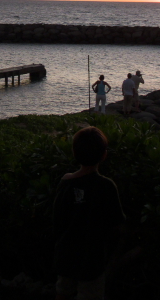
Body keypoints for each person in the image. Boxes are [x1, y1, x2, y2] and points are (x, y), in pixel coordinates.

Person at [53, 127, 125, 300]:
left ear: (74, 153)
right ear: (104, 155)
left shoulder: (65, 183)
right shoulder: (107, 186)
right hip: (93, 260)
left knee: (63, 293)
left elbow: (57, 221)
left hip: (66, 256)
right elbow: (117, 224)